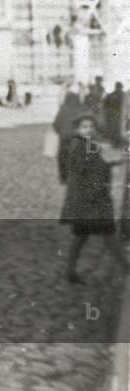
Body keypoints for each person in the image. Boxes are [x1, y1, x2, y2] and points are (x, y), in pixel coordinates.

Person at [58, 113, 128, 283]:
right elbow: (88, 171)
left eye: (90, 126)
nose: (88, 129)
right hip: (91, 199)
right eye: (84, 127)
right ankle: (127, 268)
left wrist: (116, 162)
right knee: (108, 234)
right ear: (77, 129)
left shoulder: (82, 144)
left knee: (81, 236)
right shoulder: (81, 146)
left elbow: (96, 166)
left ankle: (70, 271)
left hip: (84, 199)